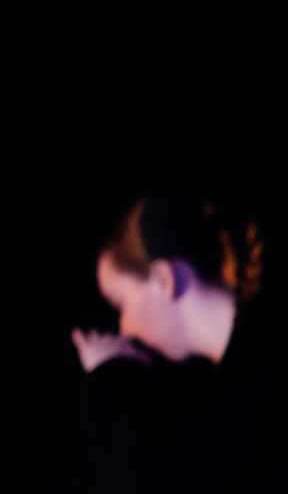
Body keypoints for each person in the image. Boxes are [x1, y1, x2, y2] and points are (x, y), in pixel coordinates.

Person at [73, 194, 277, 490]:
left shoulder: (253, 385)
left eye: (121, 304)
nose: (123, 328)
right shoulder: (250, 366)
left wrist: (110, 376)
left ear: (163, 279)